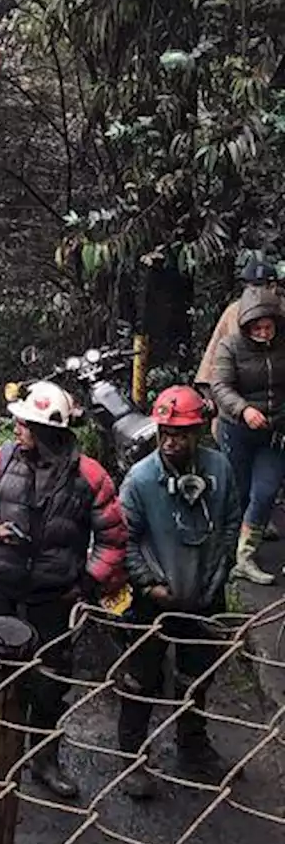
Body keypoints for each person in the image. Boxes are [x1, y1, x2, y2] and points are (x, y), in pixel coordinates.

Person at [0, 379, 127, 799]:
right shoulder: (0, 461)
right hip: (3, 588)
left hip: (56, 596)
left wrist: (88, 583)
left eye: (24, 424)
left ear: (47, 431)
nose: (16, 429)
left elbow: (112, 539)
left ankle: (44, 758)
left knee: (51, 681)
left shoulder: (89, 476)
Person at [116, 387, 241, 796]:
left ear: (198, 432)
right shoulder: (140, 480)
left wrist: (217, 574)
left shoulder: (219, 470)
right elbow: (126, 540)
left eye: (182, 433)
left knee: (196, 674)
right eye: (166, 432)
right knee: (141, 678)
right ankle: (132, 756)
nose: (172, 441)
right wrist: (149, 584)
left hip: (203, 597)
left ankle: (193, 746)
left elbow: (229, 524)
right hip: (152, 602)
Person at [210, 286, 285, 585]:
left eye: (269, 327)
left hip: (274, 431)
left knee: (265, 491)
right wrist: (243, 410)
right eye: (258, 328)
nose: (264, 333)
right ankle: (226, 550)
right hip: (238, 429)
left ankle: (246, 556)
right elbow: (220, 386)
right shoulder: (230, 346)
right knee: (239, 490)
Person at [196, 248, 281, 389]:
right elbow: (214, 354)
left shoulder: (282, 308)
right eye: (252, 287)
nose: (257, 293)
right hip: (242, 390)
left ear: (273, 287)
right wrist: (206, 387)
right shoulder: (234, 311)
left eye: (262, 287)